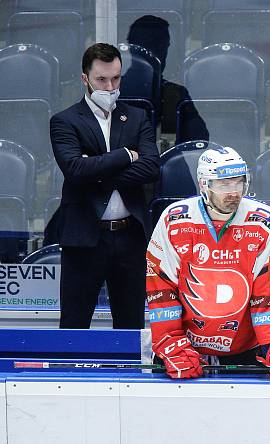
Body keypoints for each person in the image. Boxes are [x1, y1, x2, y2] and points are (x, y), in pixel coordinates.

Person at [146, 146, 270, 379]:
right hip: (184, 346)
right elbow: (160, 286)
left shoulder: (264, 220)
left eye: (239, 183)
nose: (234, 192)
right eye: (224, 185)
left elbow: (268, 292)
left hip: (246, 347)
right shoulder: (175, 219)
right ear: (204, 184)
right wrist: (170, 341)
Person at [50, 43, 160, 329]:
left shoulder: (136, 117)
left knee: (131, 324)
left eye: (116, 78)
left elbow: (151, 168)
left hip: (130, 237)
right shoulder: (65, 121)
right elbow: (75, 170)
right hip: (85, 237)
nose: (110, 86)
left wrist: (96, 168)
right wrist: (125, 156)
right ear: (85, 79)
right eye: (102, 79)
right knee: (74, 323)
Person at [125, 15, 208, 143]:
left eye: (164, 46)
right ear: (132, 48)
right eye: (152, 45)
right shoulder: (111, 92)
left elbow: (199, 140)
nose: (160, 52)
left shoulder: (174, 94)